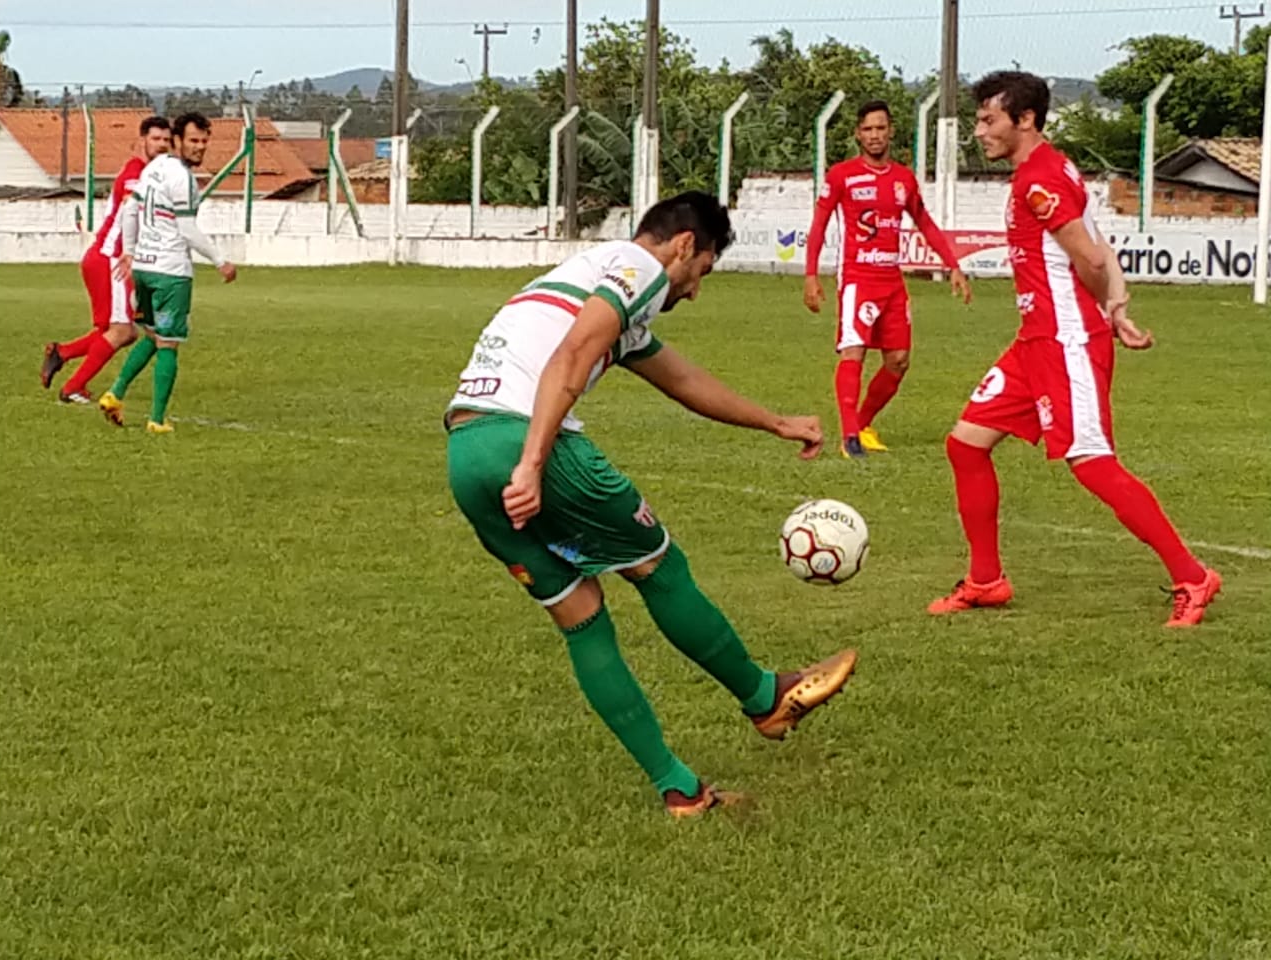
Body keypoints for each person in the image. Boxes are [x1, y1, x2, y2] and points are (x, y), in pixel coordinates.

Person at [445, 191, 859, 818]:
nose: (694, 292)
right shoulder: (635, 267)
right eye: (704, 272)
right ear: (684, 245)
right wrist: (532, 460)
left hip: (466, 454)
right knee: (659, 568)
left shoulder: (591, 282)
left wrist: (775, 423)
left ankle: (679, 790)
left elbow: (683, 381)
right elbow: (574, 353)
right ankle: (763, 698)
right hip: (524, 443)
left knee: (580, 613)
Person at [929, 70, 1220, 627]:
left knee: (1092, 463)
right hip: (1034, 341)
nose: (979, 131)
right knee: (966, 444)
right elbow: (1096, 247)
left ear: (1026, 120)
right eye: (979, 120)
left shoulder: (1039, 180)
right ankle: (987, 580)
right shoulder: (1053, 169)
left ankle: (1192, 575)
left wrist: (1109, 312)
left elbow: (1087, 256)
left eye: (990, 120)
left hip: (1065, 342)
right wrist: (1117, 306)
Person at [804, 99, 972, 458]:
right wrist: (811, 275)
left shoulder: (903, 179)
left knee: (898, 361)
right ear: (857, 134)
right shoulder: (842, 176)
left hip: (892, 281)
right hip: (858, 279)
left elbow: (924, 222)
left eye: (881, 128)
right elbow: (819, 225)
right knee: (854, 351)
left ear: (891, 131)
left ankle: (863, 425)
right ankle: (849, 437)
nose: (875, 135)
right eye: (868, 129)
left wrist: (952, 265)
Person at [98, 112, 237, 433]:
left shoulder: (153, 168)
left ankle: (115, 394)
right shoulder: (182, 179)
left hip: (145, 268)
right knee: (169, 343)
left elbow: (130, 209)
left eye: (204, 141)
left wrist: (131, 251)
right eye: (193, 141)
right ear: (177, 140)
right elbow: (187, 229)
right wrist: (220, 260)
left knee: (150, 333)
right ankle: (157, 420)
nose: (199, 147)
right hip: (171, 271)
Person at [40, 115, 172, 403]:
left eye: (166, 140)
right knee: (123, 331)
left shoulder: (149, 174)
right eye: (155, 139)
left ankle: (61, 353)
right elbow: (131, 210)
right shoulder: (136, 173)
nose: (162, 145)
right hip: (111, 260)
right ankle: (73, 386)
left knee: (113, 331)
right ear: (141, 142)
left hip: (107, 259)